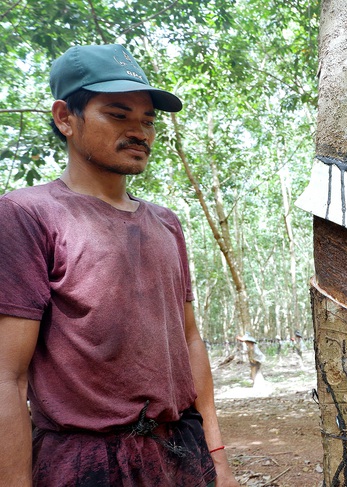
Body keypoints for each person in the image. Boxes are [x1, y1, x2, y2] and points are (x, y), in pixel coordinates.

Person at [0, 44, 238, 486]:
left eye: (148, 120)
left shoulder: (166, 222)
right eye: (118, 114)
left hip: (179, 452)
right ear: (65, 117)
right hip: (84, 461)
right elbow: (7, 375)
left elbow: (188, 340)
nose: (141, 132)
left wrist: (217, 456)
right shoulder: (28, 215)